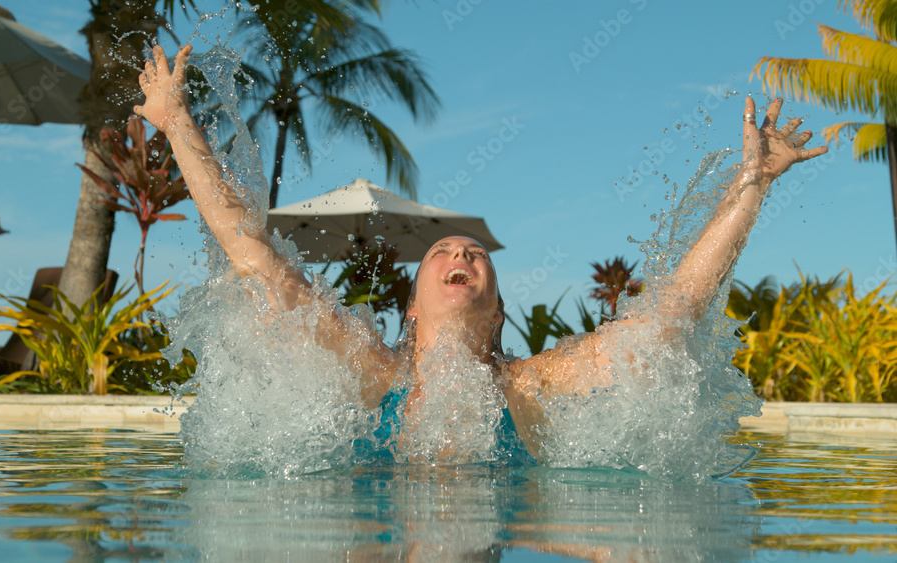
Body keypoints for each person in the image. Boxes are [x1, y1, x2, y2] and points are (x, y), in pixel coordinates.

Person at [135, 44, 828, 458]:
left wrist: (750, 186)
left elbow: (668, 319)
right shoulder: (369, 371)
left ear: (497, 311)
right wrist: (175, 119)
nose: (460, 253)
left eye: (473, 251)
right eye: (441, 251)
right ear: (411, 307)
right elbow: (251, 253)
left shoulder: (534, 383)